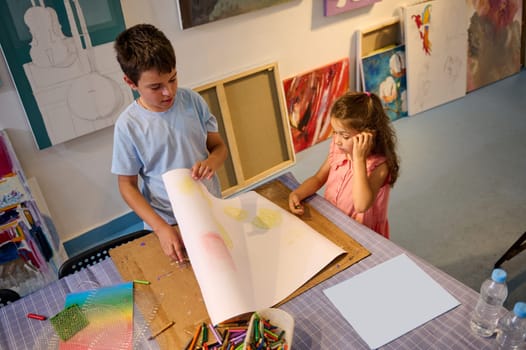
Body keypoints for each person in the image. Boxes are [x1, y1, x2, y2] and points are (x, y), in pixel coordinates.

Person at [111, 24, 228, 262]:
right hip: (167, 220)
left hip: (210, 206)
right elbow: (127, 186)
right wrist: (161, 228)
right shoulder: (128, 126)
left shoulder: (192, 101)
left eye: (173, 79)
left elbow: (219, 147)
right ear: (131, 83)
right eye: (156, 87)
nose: (168, 92)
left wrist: (212, 162)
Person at [288, 91, 399, 238]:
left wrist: (359, 159)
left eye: (345, 136)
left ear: (368, 136)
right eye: (335, 132)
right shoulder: (339, 149)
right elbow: (319, 178)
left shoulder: (379, 166)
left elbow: (361, 205)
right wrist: (298, 193)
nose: (337, 140)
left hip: (360, 232)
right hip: (334, 220)